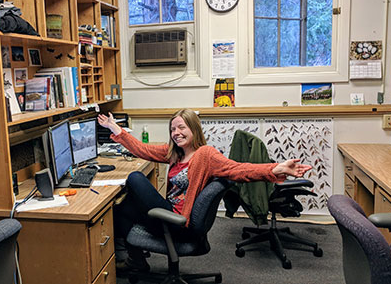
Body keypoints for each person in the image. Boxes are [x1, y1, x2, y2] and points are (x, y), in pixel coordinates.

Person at [95, 109, 312, 271]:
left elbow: (238, 169)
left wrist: (276, 168)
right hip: (171, 211)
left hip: (180, 223)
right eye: (173, 129)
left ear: (194, 129)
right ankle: (137, 261)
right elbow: (142, 149)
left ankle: (135, 259)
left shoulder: (205, 155)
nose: (176, 133)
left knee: (134, 178)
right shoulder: (175, 152)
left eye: (182, 128)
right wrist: (115, 128)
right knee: (122, 207)